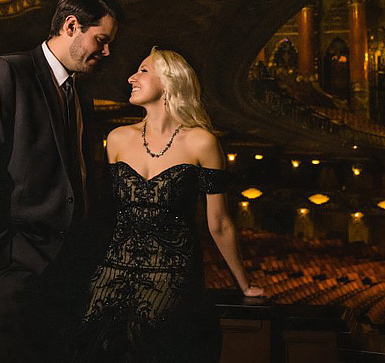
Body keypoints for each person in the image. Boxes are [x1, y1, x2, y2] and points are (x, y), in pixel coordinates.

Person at [0, 0, 121, 363]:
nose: (106, 53)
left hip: (64, 267)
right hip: (13, 265)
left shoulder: (78, 93)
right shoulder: (5, 71)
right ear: (72, 26)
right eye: (101, 40)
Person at [71, 47, 263, 362]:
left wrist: (244, 284)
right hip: (112, 268)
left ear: (170, 81)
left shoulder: (202, 142)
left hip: (172, 273)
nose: (131, 77)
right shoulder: (117, 138)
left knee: (148, 341)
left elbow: (219, 222)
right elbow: (106, 214)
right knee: (92, 341)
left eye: (143, 70)